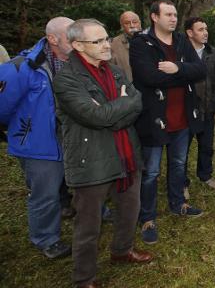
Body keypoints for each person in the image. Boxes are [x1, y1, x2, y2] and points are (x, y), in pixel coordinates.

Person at [53, 19, 152, 288]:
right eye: (98, 41)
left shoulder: (115, 70)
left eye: (107, 38)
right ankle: (84, 279)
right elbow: (94, 116)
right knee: (88, 225)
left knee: (130, 209)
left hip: (126, 154)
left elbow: (137, 102)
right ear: (77, 45)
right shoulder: (66, 79)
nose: (107, 44)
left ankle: (122, 250)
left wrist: (113, 110)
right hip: (92, 159)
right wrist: (120, 105)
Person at [130, 0, 207, 244]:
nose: (174, 18)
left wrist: (177, 68)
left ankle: (178, 204)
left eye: (175, 14)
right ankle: (147, 218)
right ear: (154, 17)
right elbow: (148, 77)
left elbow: (200, 70)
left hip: (182, 118)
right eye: (168, 14)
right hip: (154, 120)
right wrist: (183, 75)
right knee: (151, 172)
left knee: (178, 164)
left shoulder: (182, 42)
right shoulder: (141, 44)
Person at [1, 17, 74, 259]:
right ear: (53, 39)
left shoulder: (76, 61)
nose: (77, 39)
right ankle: (46, 238)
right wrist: (24, 129)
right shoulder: (21, 67)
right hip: (38, 142)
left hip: (72, 136)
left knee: (81, 178)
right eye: (71, 35)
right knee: (45, 192)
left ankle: (82, 209)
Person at [184, 17, 215, 193]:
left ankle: (205, 175)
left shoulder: (211, 52)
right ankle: (182, 181)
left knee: (207, 146)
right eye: (200, 29)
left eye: (206, 29)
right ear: (190, 33)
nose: (205, 32)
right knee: (182, 149)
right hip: (187, 111)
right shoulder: (181, 53)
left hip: (208, 108)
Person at [110, 11, 142, 82]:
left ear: (139, 23)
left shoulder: (150, 40)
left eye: (134, 22)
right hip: (127, 86)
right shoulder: (113, 44)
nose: (132, 26)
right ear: (122, 26)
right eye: (127, 23)